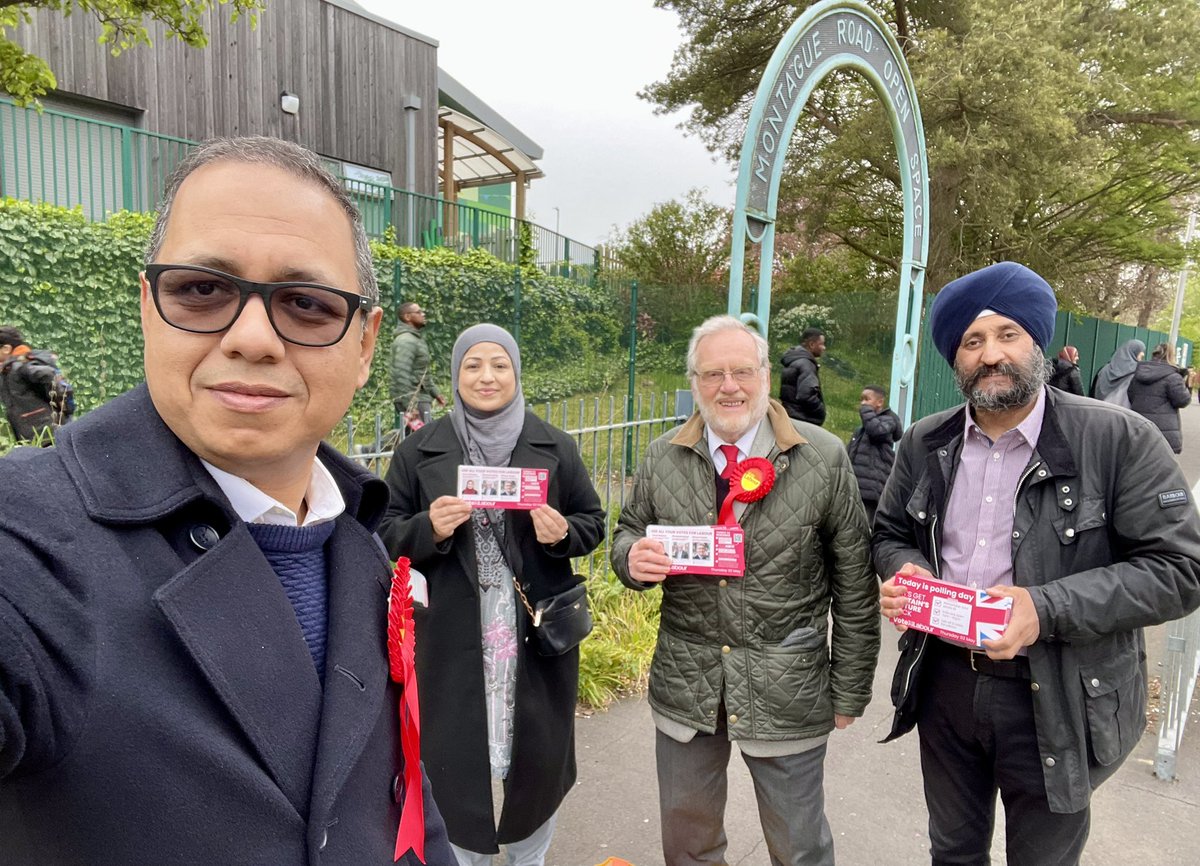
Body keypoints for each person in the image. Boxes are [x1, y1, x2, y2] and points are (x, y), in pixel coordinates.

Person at [0, 137, 455, 864]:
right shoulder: (27, 542)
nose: (252, 338)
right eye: (202, 290)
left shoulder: (362, 540)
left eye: (307, 305)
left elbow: (403, 799)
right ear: (149, 308)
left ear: (366, 345)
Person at [874, 261, 1200, 866]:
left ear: (1037, 343)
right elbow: (889, 533)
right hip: (945, 682)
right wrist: (906, 569)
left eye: (1007, 334)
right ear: (955, 359)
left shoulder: (1117, 438)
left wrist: (1042, 609)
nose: (990, 354)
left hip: (1061, 690)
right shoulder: (924, 441)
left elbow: (1180, 571)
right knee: (952, 851)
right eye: (972, 341)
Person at [611, 315, 879, 866]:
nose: (727, 386)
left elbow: (855, 583)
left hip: (789, 685)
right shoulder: (663, 455)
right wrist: (630, 559)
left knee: (800, 846)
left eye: (740, 372)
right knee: (688, 843)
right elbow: (628, 532)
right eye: (712, 374)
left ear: (763, 375)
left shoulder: (823, 457)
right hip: (689, 683)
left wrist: (850, 688)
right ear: (694, 382)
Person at [379, 324, 605, 866]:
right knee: (455, 760)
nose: (487, 376)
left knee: (535, 760)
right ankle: (462, 853)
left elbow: (592, 521)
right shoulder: (419, 450)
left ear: (516, 372)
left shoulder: (554, 445)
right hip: (452, 634)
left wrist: (562, 535)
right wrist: (428, 528)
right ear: (456, 376)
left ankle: (530, 852)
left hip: (530, 630)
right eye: (473, 365)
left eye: (499, 364)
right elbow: (384, 528)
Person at [0, 326, 71, 443]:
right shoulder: (8, 369)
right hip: (33, 433)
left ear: (6, 349)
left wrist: (60, 407)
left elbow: (48, 375)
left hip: (45, 432)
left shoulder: (21, 366)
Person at [846, 384, 901, 527]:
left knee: (864, 526)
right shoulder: (862, 429)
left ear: (879, 402)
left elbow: (876, 430)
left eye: (867, 399)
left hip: (870, 489)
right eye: (861, 400)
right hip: (857, 486)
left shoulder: (889, 421)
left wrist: (866, 411)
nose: (863, 403)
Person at [391, 300, 446, 432]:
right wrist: (409, 404)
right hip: (415, 397)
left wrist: (436, 393)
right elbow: (401, 373)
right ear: (407, 317)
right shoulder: (406, 341)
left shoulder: (415, 339)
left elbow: (423, 373)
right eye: (419, 312)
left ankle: (367, 450)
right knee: (424, 435)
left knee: (412, 435)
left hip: (420, 396)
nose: (423, 314)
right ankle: (368, 450)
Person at [1128, 342, 1191, 454]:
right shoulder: (1173, 377)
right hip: (1163, 429)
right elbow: (1182, 400)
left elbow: (1130, 394)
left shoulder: (1139, 373)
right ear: (1172, 356)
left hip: (1138, 425)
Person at [779, 326, 827, 425]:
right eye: (821, 344)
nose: (824, 348)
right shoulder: (807, 365)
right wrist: (820, 412)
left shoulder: (793, 360)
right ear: (812, 344)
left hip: (789, 415)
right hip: (802, 419)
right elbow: (806, 395)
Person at [1090, 339, 1144, 406]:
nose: (1141, 360)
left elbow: (1092, 393)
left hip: (1098, 410)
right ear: (1134, 354)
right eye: (1141, 357)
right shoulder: (1135, 374)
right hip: (1120, 414)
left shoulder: (1103, 370)